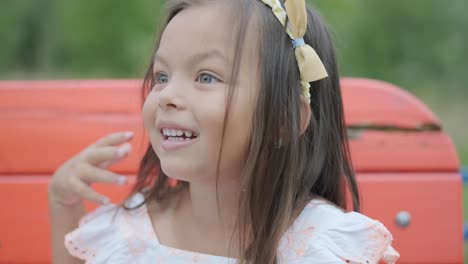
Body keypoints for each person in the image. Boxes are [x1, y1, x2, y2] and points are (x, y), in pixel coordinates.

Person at [48, 0, 400, 263]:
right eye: (162, 76)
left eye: (206, 77)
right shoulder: (127, 234)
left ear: (285, 120)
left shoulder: (323, 247)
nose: (168, 95)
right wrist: (64, 205)